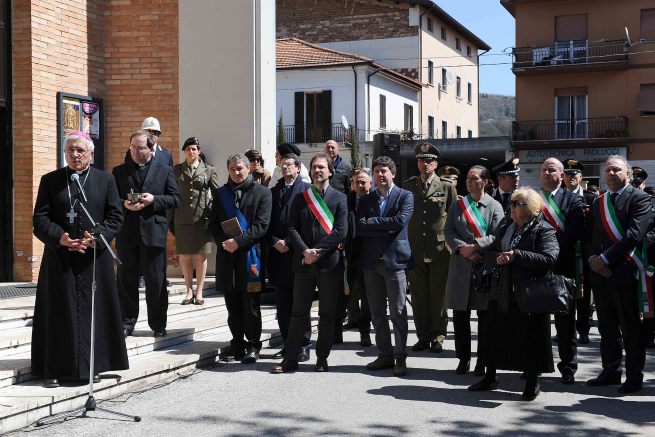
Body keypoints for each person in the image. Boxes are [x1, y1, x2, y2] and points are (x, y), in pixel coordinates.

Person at [32, 131, 129, 388]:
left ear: (91, 154)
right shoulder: (50, 181)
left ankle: (93, 365)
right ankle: (53, 368)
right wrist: (60, 237)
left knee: (93, 311)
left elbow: (115, 217)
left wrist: (97, 237)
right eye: (70, 150)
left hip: (93, 258)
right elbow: (39, 219)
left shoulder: (105, 180)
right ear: (65, 153)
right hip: (60, 258)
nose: (75, 155)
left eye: (80, 150)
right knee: (58, 313)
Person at [469, 188, 558, 401]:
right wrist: (496, 257)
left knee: (529, 338)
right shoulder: (507, 226)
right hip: (501, 289)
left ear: (529, 208)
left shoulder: (543, 229)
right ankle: (490, 376)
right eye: (511, 203)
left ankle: (532, 382)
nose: (511, 207)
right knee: (491, 334)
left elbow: (549, 258)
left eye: (516, 204)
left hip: (529, 292)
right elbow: (493, 250)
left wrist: (516, 255)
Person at [271, 153, 348, 373]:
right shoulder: (301, 197)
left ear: (330, 171)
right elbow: (291, 228)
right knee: (298, 313)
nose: (317, 170)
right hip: (304, 262)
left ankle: (322, 358)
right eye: (314, 167)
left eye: (322, 167)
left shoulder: (340, 198)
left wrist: (318, 252)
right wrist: (305, 250)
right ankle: (291, 359)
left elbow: (341, 231)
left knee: (327, 314)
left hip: (329, 263)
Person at [585, 156, 653, 394]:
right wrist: (593, 260)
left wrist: (604, 259)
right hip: (600, 275)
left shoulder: (640, 198)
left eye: (616, 170)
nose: (611, 173)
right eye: (607, 170)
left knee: (630, 328)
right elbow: (590, 236)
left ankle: (634, 376)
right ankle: (610, 370)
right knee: (607, 328)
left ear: (628, 174)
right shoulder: (598, 202)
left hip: (624, 273)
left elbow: (634, 235)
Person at [113, 130, 182, 338]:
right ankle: (127, 322)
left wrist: (154, 199)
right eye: (132, 147)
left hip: (153, 233)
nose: (135, 151)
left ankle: (158, 324)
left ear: (151, 149)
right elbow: (112, 200)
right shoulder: (119, 171)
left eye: (140, 147)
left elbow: (176, 199)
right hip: (128, 233)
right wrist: (124, 204)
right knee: (126, 280)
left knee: (156, 281)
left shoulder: (165, 170)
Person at [211, 154, 272, 364]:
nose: (236, 173)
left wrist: (238, 242)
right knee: (232, 304)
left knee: (251, 305)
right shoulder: (220, 194)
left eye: (240, 168)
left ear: (248, 169)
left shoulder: (262, 193)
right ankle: (237, 343)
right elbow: (213, 224)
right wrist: (224, 242)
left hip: (250, 256)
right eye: (232, 169)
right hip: (227, 255)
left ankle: (253, 345)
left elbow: (261, 226)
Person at [444, 166, 504, 376]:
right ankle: (463, 358)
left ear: (485, 181)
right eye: (468, 178)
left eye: (474, 178)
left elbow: (498, 235)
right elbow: (448, 230)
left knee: (485, 317)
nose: (469, 182)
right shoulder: (458, 205)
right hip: (461, 264)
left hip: (484, 265)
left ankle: (483, 361)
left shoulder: (494, 206)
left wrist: (476, 247)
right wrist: (464, 249)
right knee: (460, 316)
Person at [358, 156, 414, 377]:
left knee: (398, 312)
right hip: (372, 262)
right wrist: (383, 226)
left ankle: (400, 356)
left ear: (393, 173)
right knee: (377, 312)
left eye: (384, 171)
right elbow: (361, 227)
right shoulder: (365, 200)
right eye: (376, 171)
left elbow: (400, 222)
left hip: (395, 262)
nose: (380, 175)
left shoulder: (405, 196)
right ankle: (385, 354)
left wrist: (373, 222)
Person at [402, 143, 456, 353]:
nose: (425, 164)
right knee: (419, 296)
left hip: (440, 249)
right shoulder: (408, 186)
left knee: (438, 296)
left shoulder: (446, 186)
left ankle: (438, 336)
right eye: (421, 160)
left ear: (435, 163)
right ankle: (423, 336)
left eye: (429, 160)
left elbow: (453, 217)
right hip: (415, 248)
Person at [540, 158, 585, 385]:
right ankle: (536, 363)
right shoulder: (533, 198)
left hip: (563, 267)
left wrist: (552, 254)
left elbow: (574, 232)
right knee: (536, 320)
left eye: (552, 170)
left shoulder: (573, 199)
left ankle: (568, 367)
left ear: (562, 175)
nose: (547, 173)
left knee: (565, 323)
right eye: (544, 170)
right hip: (537, 266)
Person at [267, 153, 312, 362]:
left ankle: (303, 344)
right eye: (282, 165)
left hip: (297, 253)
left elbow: (309, 224)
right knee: (283, 304)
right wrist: (274, 240)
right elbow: (266, 221)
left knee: (300, 303)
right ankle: (287, 343)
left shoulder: (307, 190)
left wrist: (290, 242)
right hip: (278, 255)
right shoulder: (273, 191)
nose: (284, 168)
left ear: (298, 168)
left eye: (288, 164)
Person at [170, 137, 220, 305]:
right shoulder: (177, 170)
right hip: (182, 218)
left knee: (200, 257)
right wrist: (170, 219)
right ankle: (188, 290)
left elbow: (217, 194)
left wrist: (216, 215)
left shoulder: (209, 170)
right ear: (184, 152)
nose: (191, 152)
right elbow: (171, 194)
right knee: (185, 256)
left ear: (199, 151)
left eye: (194, 149)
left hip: (202, 219)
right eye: (188, 149)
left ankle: (199, 291)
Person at [336, 168, 373, 346]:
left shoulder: (376, 201)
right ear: (352, 184)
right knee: (342, 295)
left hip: (368, 255)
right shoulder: (345, 201)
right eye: (356, 182)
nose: (360, 185)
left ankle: (365, 332)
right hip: (348, 255)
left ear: (370, 184)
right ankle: (336, 332)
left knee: (367, 298)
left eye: (363, 182)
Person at [562, 159, 597, 345]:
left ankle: (583, 329)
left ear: (581, 176)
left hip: (585, 252)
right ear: (563, 177)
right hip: (565, 251)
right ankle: (566, 331)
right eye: (567, 174)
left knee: (584, 292)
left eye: (574, 174)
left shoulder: (591, 199)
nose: (571, 177)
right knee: (565, 291)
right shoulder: (558, 197)